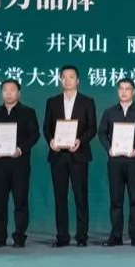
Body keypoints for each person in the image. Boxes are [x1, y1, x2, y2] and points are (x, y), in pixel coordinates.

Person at [42, 65, 97, 247]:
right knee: (60, 198)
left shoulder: (87, 101)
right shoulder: (52, 102)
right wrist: (51, 140)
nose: (67, 80)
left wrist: (80, 141)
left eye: (71, 77)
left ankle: (82, 236)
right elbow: (47, 127)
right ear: (60, 80)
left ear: (77, 80)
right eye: (64, 77)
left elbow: (92, 128)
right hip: (58, 156)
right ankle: (62, 236)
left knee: (80, 197)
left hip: (78, 155)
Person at [0, 79, 39, 248]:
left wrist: (20, 149)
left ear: (19, 93)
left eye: (12, 90)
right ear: (1, 93)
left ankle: (19, 238)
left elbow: (34, 135)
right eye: (5, 90)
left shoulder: (28, 112)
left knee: (20, 202)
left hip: (19, 164)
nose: (8, 93)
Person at [97, 78, 135, 247]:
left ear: (133, 92)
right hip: (115, 161)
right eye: (121, 88)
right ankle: (116, 236)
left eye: (127, 89)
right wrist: (109, 148)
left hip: (134, 161)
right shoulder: (109, 112)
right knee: (116, 200)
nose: (124, 92)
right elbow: (102, 132)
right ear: (117, 91)